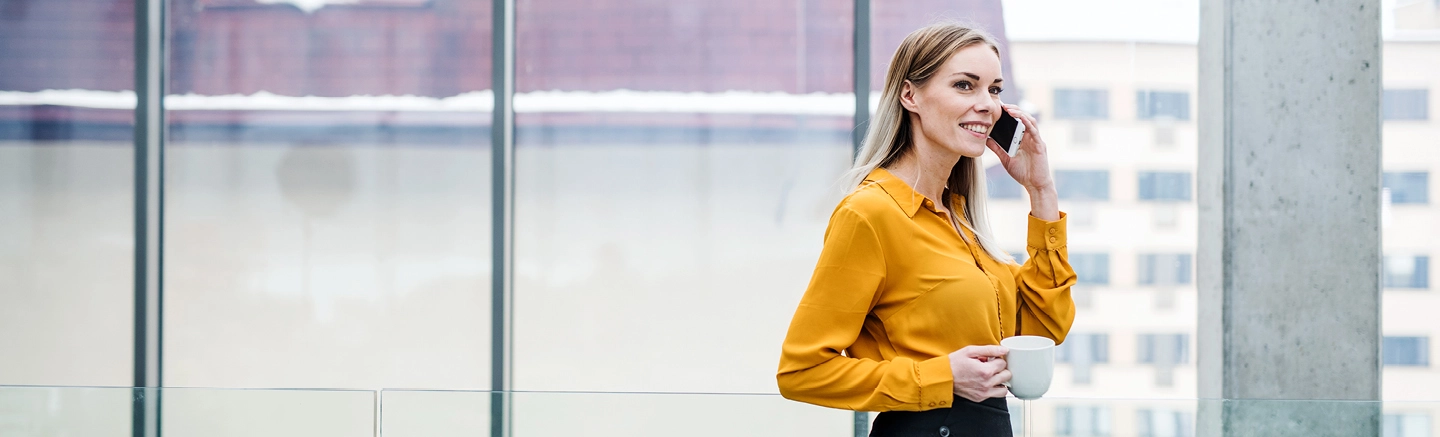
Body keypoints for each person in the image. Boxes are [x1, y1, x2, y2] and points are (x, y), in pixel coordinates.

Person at [776, 22, 1076, 436]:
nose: (987, 105)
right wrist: (941, 378)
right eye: (965, 85)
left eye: (994, 89)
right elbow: (802, 371)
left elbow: (1046, 331)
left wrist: (1041, 191)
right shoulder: (870, 215)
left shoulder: (962, 222)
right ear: (910, 95)